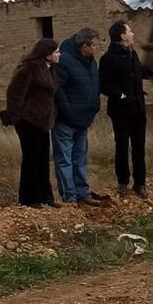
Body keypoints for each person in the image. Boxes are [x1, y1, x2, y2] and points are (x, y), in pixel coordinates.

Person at [4, 38, 59, 208]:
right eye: (56, 52)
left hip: (42, 121)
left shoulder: (50, 69)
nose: (59, 55)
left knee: (43, 159)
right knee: (31, 159)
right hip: (28, 121)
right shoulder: (29, 69)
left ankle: (46, 197)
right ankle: (29, 198)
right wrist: (17, 117)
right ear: (47, 54)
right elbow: (14, 94)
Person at [53, 28, 103, 206]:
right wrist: (68, 112)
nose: (97, 48)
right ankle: (69, 197)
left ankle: (82, 193)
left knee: (80, 158)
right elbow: (58, 90)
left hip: (84, 120)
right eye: (94, 45)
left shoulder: (91, 62)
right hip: (66, 121)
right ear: (84, 46)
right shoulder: (65, 61)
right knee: (65, 159)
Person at [99, 21, 149, 198]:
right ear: (122, 36)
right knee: (121, 146)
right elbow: (104, 85)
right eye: (130, 31)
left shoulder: (133, 54)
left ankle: (140, 183)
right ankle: (122, 183)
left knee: (139, 147)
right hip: (120, 111)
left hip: (138, 109)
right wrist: (121, 95)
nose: (133, 34)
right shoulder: (108, 58)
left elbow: (140, 73)